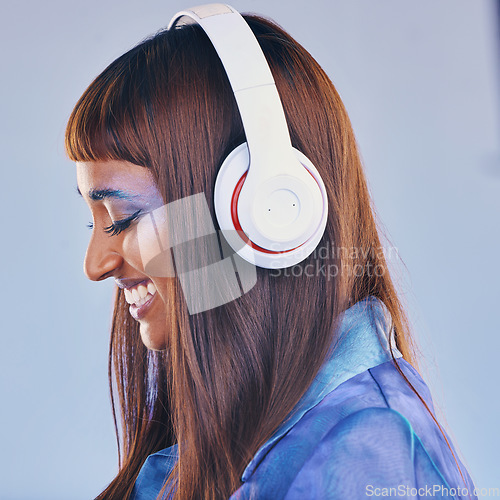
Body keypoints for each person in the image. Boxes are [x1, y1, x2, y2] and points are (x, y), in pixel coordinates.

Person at [65, 4, 477, 500]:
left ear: (262, 213)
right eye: (95, 223)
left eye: (122, 218)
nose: (96, 265)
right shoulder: (234, 435)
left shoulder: (374, 458)